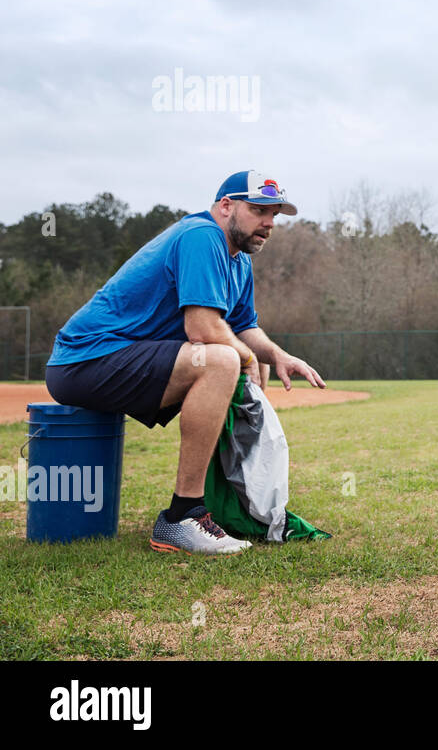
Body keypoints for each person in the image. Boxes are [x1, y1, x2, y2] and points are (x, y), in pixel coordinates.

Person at [44, 171, 325, 555]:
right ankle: (182, 517)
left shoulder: (238, 260)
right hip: (83, 361)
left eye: (274, 215)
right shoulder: (202, 236)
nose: (269, 224)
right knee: (222, 361)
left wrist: (274, 355)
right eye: (259, 210)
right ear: (226, 206)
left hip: (118, 360)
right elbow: (203, 327)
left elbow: (244, 327)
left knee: (237, 358)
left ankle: (222, 507)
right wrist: (243, 359)